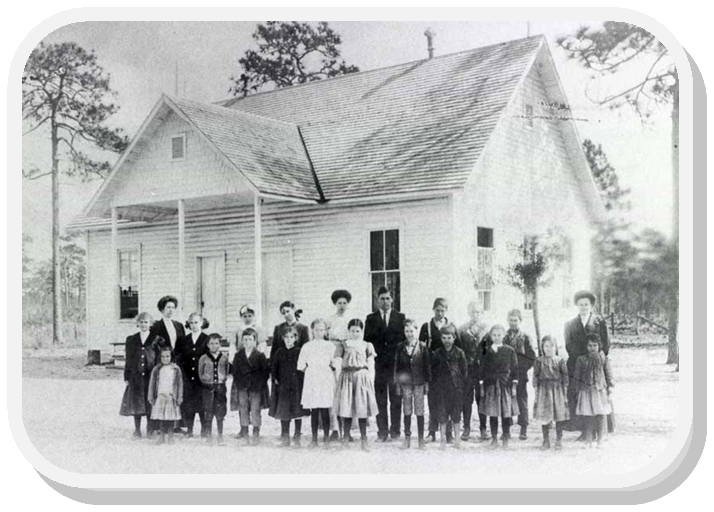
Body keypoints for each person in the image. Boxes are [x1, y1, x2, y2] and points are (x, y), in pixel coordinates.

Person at [564, 290, 611, 439]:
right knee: (580, 396)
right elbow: (568, 345)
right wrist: (581, 359)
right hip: (577, 364)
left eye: (586, 304)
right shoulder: (570, 324)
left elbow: (606, 343)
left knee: (598, 396)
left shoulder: (599, 321)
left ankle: (600, 431)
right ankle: (585, 431)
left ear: (591, 306)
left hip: (596, 363)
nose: (584, 307)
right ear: (577, 306)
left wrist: (596, 357)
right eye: (581, 304)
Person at [364, 286, 405, 442]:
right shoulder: (371, 318)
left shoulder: (400, 317)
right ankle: (382, 431)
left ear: (392, 299)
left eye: (388, 298)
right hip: (379, 365)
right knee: (380, 398)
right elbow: (368, 341)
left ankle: (395, 430)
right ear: (377, 300)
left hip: (395, 366)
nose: (385, 301)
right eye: (382, 298)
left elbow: (403, 341)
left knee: (396, 398)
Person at [334, 319, 379, 452]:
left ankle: (364, 440)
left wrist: (371, 379)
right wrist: (338, 377)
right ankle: (346, 438)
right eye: (352, 331)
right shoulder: (343, 344)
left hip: (362, 377)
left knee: (362, 409)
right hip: (347, 377)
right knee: (347, 408)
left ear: (362, 331)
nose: (355, 333)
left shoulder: (367, 345)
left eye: (358, 331)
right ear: (349, 331)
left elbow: (371, 364)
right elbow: (337, 362)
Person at [419, 298, 460, 442]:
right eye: (437, 310)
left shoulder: (452, 326)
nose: (440, 313)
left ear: (446, 311)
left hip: (448, 371)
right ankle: (432, 431)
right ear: (433, 310)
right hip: (432, 369)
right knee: (433, 401)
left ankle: (448, 433)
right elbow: (421, 348)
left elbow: (458, 348)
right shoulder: (426, 327)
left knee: (448, 401)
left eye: (442, 310)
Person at [120, 312, 165, 439]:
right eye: (141, 322)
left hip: (151, 375)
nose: (144, 325)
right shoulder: (132, 339)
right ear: (137, 323)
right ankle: (137, 429)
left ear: (150, 324)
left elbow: (160, 358)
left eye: (146, 322)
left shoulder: (156, 339)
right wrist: (127, 376)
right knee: (137, 402)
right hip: (136, 376)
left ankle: (150, 429)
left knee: (150, 401)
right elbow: (128, 359)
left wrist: (158, 374)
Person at [298, 319, 339, 450]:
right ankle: (314, 438)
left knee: (325, 409)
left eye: (322, 330)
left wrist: (327, 371)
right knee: (314, 410)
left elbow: (335, 363)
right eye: (316, 330)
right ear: (312, 331)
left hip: (325, 378)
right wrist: (312, 372)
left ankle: (326, 438)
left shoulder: (330, 346)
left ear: (325, 331)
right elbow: (301, 365)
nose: (319, 332)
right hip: (312, 379)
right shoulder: (307, 346)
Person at [479, 324, 519, 449]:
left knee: (506, 413)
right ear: (491, 336)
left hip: (505, 385)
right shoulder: (487, 351)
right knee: (493, 413)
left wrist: (513, 386)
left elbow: (515, 370)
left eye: (499, 335)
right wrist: (482, 386)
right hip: (491, 386)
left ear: (504, 335)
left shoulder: (509, 350)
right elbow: (482, 370)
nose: (497, 337)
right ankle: (494, 439)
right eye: (494, 335)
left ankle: (505, 439)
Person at [393, 319, 431, 450]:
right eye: (406, 331)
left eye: (412, 331)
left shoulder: (422, 346)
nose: (409, 334)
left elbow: (427, 366)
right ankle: (407, 438)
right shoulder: (400, 346)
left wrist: (427, 382)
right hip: (406, 384)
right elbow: (396, 366)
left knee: (420, 410)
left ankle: (421, 439)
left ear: (416, 330)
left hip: (419, 382)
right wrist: (397, 384)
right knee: (407, 409)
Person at [270, 325, 310, 448]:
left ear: (295, 338)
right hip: (283, 386)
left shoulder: (299, 351)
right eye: (286, 337)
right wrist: (275, 378)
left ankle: (297, 436)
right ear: (282, 338)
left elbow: (304, 367)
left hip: (297, 385)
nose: (288, 339)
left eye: (291, 337)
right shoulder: (279, 352)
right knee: (284, 410)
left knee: (297, 410)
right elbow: (274, 367)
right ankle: (285, 436)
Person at [230, 327, 269, 446]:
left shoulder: (260, 355)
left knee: (255, 409)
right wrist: (240, 384)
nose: (247, 342)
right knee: (243, 409)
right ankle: (245, 432)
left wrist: (259, 384)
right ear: (242, 341)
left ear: (255, 341)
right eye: (245, 339)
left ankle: (256, 433)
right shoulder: (238, 355)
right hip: (242, 387)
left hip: (256, 388)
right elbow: (235, 372)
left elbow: (265, 373)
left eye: (250, 339)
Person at [431, 324, 468, 451]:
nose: (447, 341)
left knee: (456, 414)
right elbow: (433, 372)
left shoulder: (459, 352)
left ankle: (457, 439)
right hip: (441, 390)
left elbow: (464, 372)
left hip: (456, 389)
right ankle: (443, 440)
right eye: (444, 338)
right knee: (442, 415)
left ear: (454, 338)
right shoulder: (437, 353)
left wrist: (461, 386)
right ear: (441, 339)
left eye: (449, 338)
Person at [574, 333, 614, 449]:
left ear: (599, 346)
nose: (592, 348)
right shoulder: (581, 360)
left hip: (599, 391)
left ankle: (600, 440)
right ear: (586, 347)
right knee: (588, 415)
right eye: (590, 345)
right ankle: (588, 440)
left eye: (595, 345)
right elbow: (577, 376)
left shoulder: (603, 359)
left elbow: (609, 374)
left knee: (600, 414)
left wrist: (610, 388)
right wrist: (576, 390)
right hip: (586, 391)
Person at [457, 301, 489, 441]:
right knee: (466, 400)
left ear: (482, 313)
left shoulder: (487, 329)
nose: (476, 314)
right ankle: (467, 428)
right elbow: (459, 350)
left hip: (482, 370)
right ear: (469, 313)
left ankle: (483, 428)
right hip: (468, 370)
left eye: (478, 312)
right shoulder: (462, 329)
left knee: (482, 399)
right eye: (473, 312)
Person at [503, 309, 537, 440]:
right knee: (506, 400)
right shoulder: (504, 336)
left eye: (515, 320)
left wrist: (521, 369)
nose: (513, 323)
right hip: (506, 374)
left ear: (520, 321)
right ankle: (507, 429)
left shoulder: (525, 337)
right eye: (511, 320)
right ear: (507, 321)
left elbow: (531, 357)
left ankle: (523, 429)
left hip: (521, 374)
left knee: (521, 400)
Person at [532, 335, 570, 450]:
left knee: (559, 415)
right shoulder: (539, 361)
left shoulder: (560, 360)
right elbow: (536, 376)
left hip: (557, 389)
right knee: (545, 416)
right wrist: (536, 390)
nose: (549, 349)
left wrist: (565, 390)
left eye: (552, 346)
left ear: (556, 347)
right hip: (544, 390)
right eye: (546, 346)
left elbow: (565, 376)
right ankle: (546, 441)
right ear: (542, 348)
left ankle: (558, 440)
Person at [175, 312, 208, 438]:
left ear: (202, 323)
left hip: (201, 377)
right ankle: (189, 429)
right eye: (192, 323)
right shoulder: (183, 339)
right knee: (188, 403)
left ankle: (204, 429)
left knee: (201, 403)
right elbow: (179, 357)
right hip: (187, 377)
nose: (194, 325)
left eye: (196, 322)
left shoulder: (206, 339)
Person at [327, 289, 352, 441]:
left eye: (344, 303)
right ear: (335, 304)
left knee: (346, 393)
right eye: (339, 303)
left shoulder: (351, 319)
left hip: (347, 355)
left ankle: (347, 431)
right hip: (334, 354)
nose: (342, 305)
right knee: (333, 392)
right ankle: (335, 428)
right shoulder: (330, 320)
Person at [147, 348, 184, 445]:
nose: (165, 358)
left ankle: (171, 436)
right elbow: (152, 383)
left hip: (171, 396)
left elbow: (180, 384)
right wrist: (151, 396)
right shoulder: (157, 369)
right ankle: (162, 436)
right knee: (162, 417)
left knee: (170, 417)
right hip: (160, 396)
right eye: (163, 356)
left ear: (171, 356)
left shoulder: (176, 369)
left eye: (167, 356)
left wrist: (179, 397)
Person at [199, 333, 230, 445]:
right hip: (208, 387)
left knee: (220, 411)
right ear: (207, 345)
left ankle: (220, 435)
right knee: (209, 411)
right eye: (211, 343)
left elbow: (226, 371)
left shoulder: (224, 357)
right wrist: (206, 380)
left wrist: (222, 380)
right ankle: (209, 436)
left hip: (220, 387)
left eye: (216, 343)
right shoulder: (203, 358)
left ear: (220, 344)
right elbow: (200, 372)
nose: (214, 346)